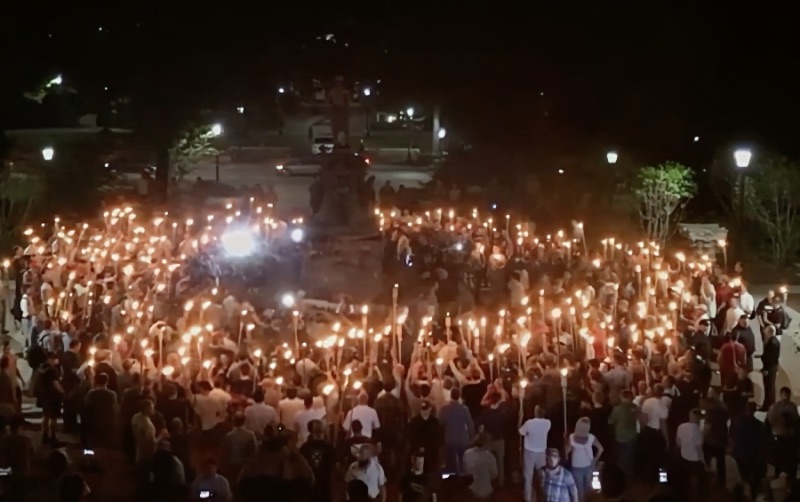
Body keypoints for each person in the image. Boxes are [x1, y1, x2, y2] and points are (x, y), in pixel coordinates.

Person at [766, 386, 800, 492]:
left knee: (779, 461)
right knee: (790, 463)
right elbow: (796, 422)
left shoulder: (774, 407)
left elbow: (769, 421)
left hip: (778, 438)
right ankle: (790, 485)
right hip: (789, 439)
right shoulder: (792, 407)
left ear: (781, 394)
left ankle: (779, 483)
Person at [732, 402, 766, 500]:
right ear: (755, 410)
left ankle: (745, 494)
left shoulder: (737, 422)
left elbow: (733, 438)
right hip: (753, 455)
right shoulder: (759, 425)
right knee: (753, 480)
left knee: (744, 477)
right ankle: (752, 494)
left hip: (741, 455)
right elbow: (761, 443)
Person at [565, 417, 604, 502]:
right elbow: (601, 449)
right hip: (589, 465)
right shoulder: (591, 437)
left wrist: (565, 439)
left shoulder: (571, 437)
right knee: (588, 490)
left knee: (579, 491)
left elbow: (567, 452)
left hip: (576, 466)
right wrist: (595, 459)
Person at [438, 387, 474, 474]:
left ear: (451, 396)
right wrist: (471, 437)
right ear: (459, 396)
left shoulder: (444, 409)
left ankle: (452, 480)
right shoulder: (464, 409)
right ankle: (462, 478)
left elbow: (441, 423)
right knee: (463, 461)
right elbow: (470, 424)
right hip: (462, 439)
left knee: (450, 462)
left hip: (450, 438)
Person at [520, 404, 551, 502]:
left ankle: (528, 498)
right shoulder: (548, 423)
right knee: (541, 476)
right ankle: (542, 496)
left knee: (528, 476)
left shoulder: (529, 423)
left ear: (536, 412)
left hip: (530, 451)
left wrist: (520, 418)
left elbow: (521, 432)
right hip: (541, 451)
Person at [675, 408, 709, 499]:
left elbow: (678, 443)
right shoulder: (698, 431)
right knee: (703, 481)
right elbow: (699, 450)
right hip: (695, 460)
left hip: (683, 457)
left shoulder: (681, 426)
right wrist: (705, 464)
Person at [300, 420, 336, 501]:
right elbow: (334, 466)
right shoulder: (329, 447)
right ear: (324, 431)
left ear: (312, 431)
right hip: (325, 484)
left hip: (310, 483)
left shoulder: (305, 447)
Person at [607, 389, 637, 483]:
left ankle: (622, 479)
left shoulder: (617, 409)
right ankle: (630, 478)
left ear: (623, 397)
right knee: (631, 458)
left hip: (621, 437)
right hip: (633, 436)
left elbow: (610, 421)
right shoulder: (635, 407)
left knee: (622, 459)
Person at [702, 388, 729, 486]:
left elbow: (708, 426)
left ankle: (707, 480)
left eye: (711, 393)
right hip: (721, 436)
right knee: (721, 460)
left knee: (706, 459)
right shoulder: (724, 405)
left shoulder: (711, 408)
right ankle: (722, 480)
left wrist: (703, 436)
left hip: (711, 438)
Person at [462, 432, 498, 500]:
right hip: (486, 492)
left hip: (471, 491)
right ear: (487, 443)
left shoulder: (467, 453)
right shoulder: (490, 456)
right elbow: (495, 474)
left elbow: (465, 471)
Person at [761, 325, 780, 410]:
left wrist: (765, 369)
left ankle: (767, 405)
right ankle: (769, 404)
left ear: (769, 332)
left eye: (765, 331)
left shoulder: (770, 343)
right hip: (773, 367)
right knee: (771, 387)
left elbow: (769, 358)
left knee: (768, 387)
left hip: (769, 368)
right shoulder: (776, 341)